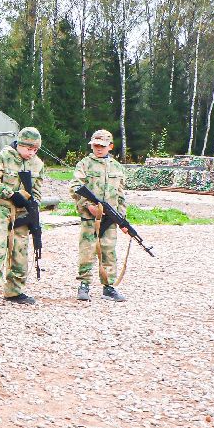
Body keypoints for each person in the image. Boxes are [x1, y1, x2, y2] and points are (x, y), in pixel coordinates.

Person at [0, 125, 43, 309]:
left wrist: (33, 207)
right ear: (20, 144)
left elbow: (37, 191)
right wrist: (11, 194)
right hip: (2, 208)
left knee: (20, 250)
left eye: (35, 149)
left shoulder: (37, 164)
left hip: (23, 213)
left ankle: (15, 291)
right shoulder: (4, 157)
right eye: (29, 149)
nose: (31, 153)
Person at [71, 128, 129, 302]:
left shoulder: (117, 167)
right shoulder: (84, 164)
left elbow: (121, 194)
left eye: (102, 146)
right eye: (95, 145)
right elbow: (75, 188)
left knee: (108, 251)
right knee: (87, 251)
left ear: (110, 146)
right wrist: (88, 206)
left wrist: (121, 217)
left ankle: (109, 287)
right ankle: (84, 285)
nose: (98, 148)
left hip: (109, 219)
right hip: (90, 218)